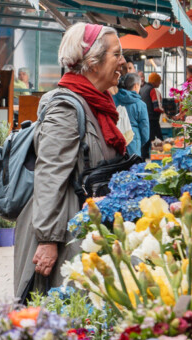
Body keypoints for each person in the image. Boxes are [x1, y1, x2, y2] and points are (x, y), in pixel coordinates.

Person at [14, 23, 126, 301]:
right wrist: (49, 241)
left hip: (85, 226)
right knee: (65, 315)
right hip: (65, 231)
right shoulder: (66, 107)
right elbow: (50, 174)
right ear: (92, 63)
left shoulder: (97, 105)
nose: (123, 61)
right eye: (116, 54)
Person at [113, 72, 150, 159]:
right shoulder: (140, 104)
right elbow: (145, 131)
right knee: (133, 170)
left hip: (115, 142)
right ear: (136, 85)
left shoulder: (113, 99)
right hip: (133, 144)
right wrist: (138, 141)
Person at [140, 72, 164, 142]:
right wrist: (164, 111)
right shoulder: (153, 90)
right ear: (155, 82)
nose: (159, 84)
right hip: (153, 121)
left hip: (144, 119)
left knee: (147, 142)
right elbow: (157, 107)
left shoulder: (142, 89)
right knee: (159, 141)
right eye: (159, 82)